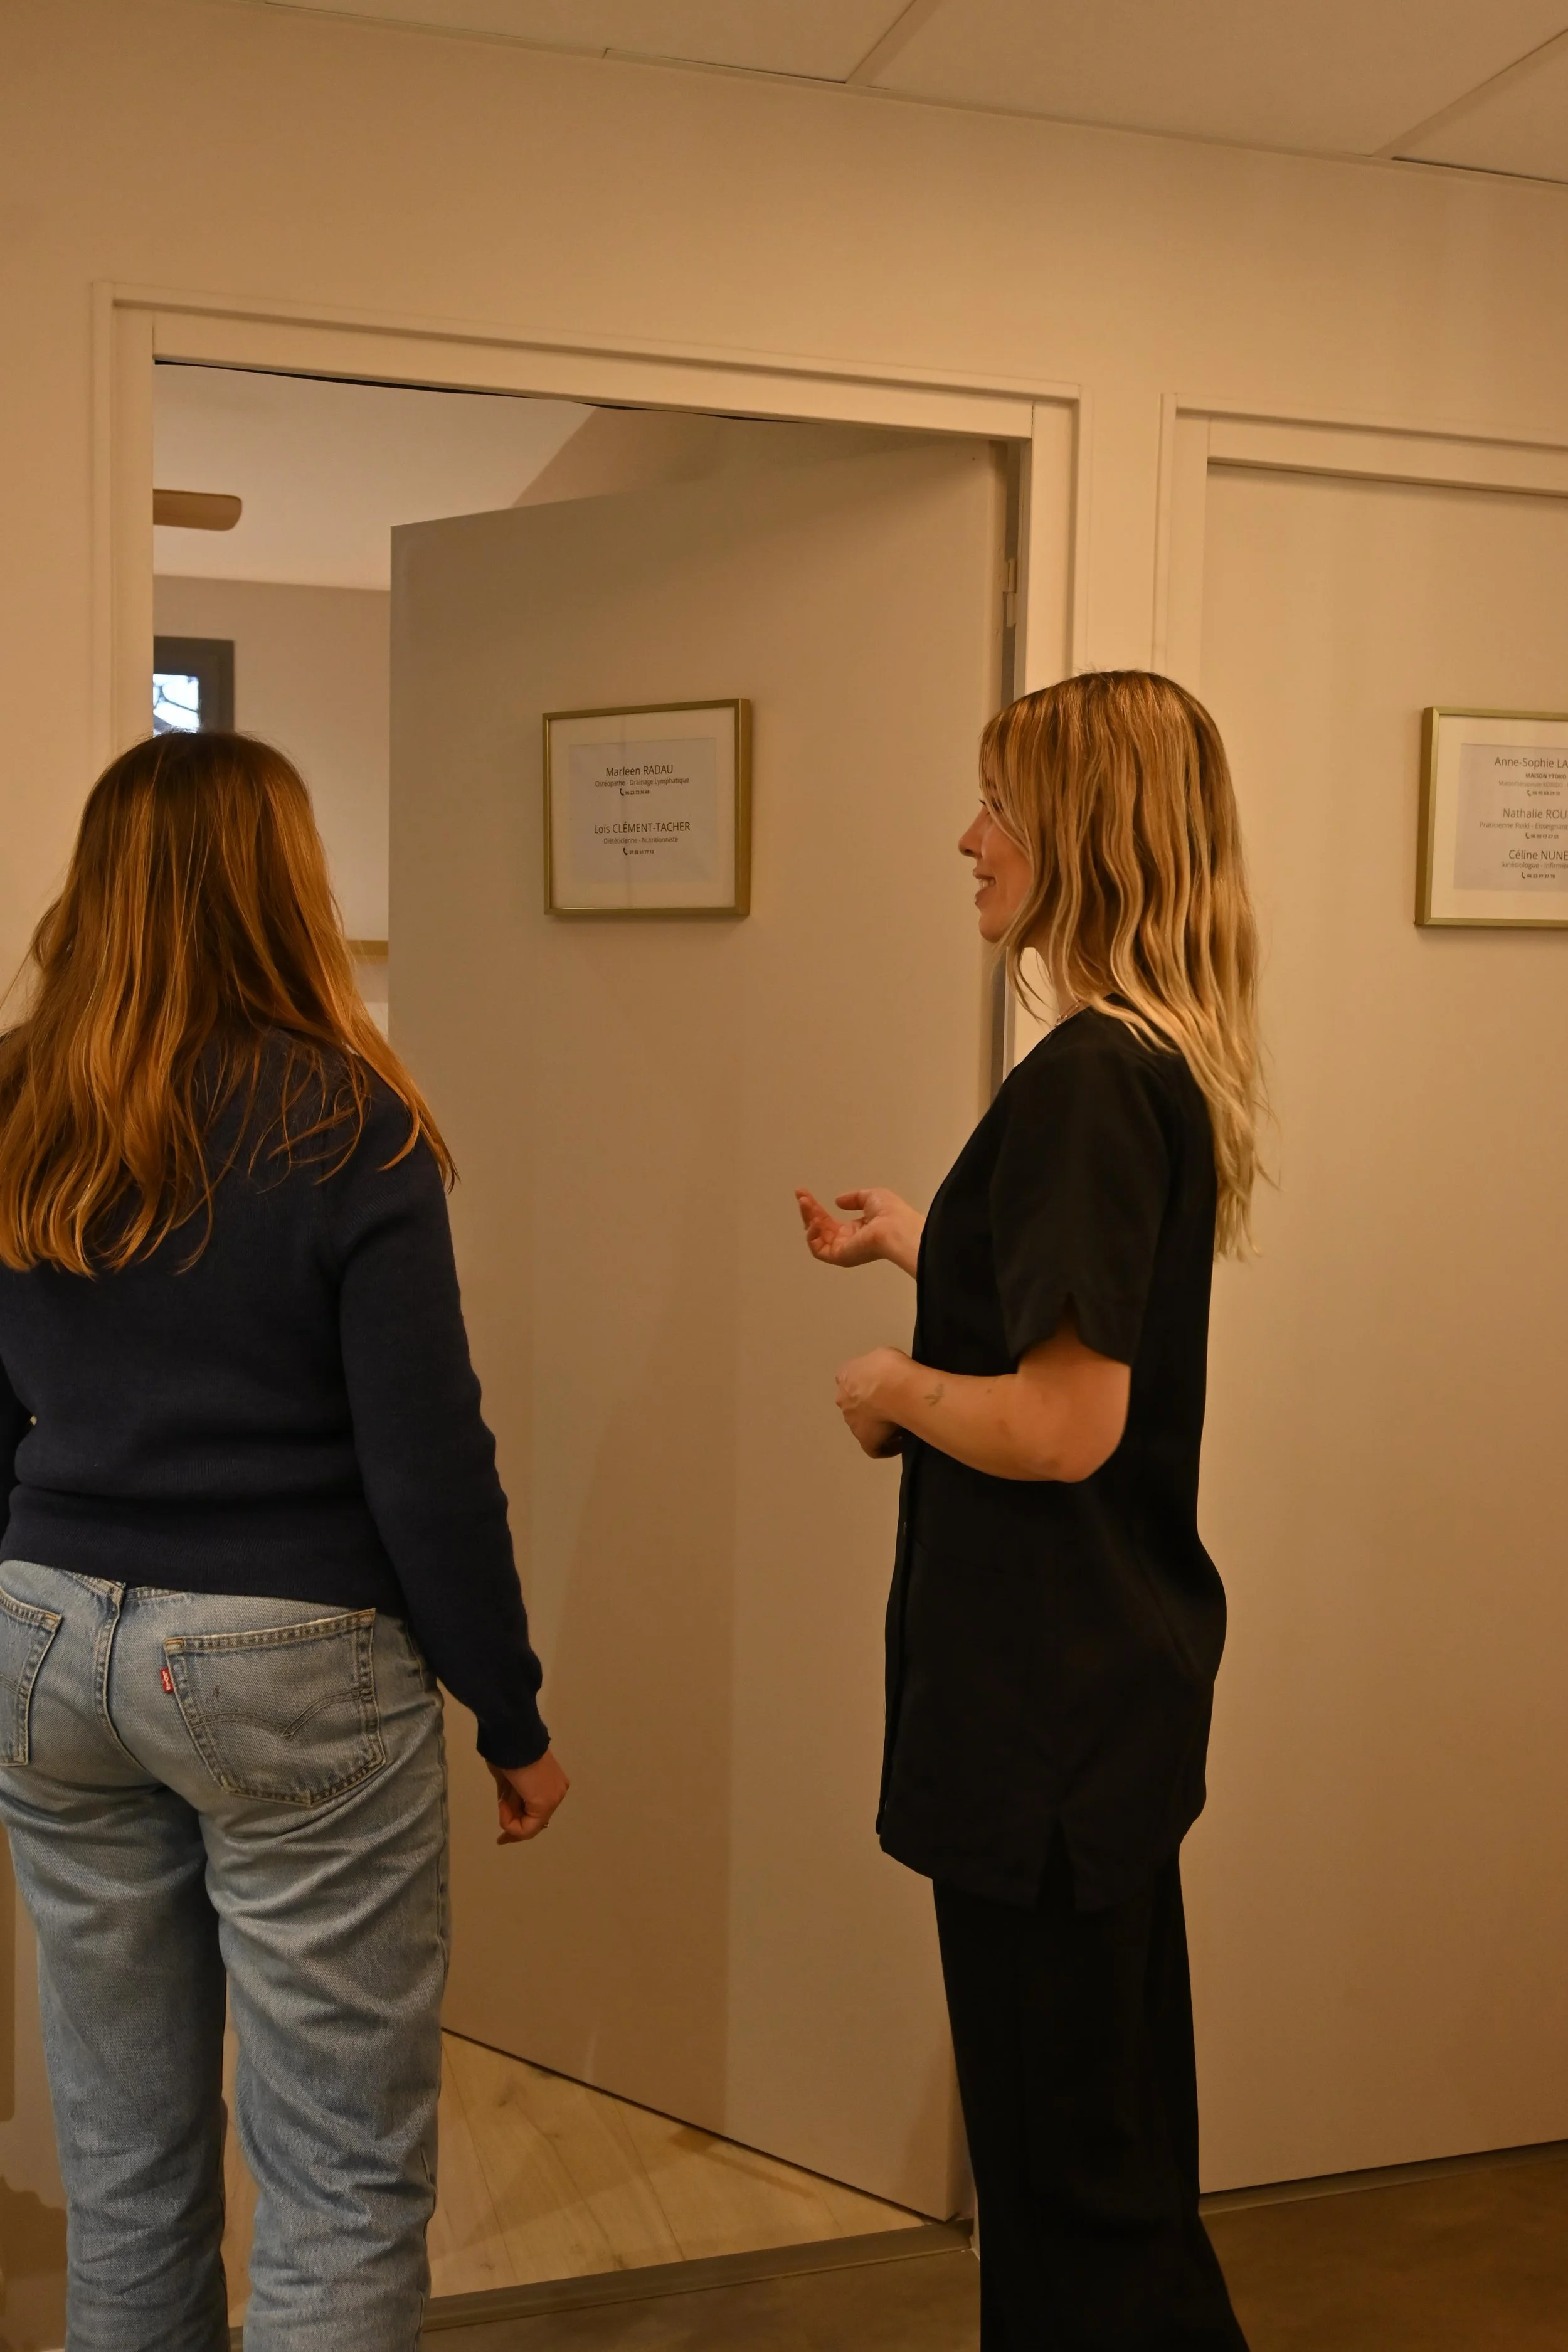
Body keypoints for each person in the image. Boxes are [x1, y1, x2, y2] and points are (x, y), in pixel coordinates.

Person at [0, 731, 568, 2352]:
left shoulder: (14, 1093)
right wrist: (508, 1709)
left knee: (122, 2154)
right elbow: (428, 1460)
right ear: (288, 885)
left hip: (42, 1635)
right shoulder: (346, 1116)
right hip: (284, 1650)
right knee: (338, 2170)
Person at [797, 672, 1258, 2350]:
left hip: (1042, 1728)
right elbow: (1076, 1326)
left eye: (1001, 803)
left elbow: (1064, 1425)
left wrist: (891, 1387)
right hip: (1102, 1715)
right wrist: (937, 1247)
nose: (969, 836)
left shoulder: (1080, 1079)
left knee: (1073, 2224)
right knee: (1105, 2178)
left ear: (1083, 836)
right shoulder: (1141, 1068)